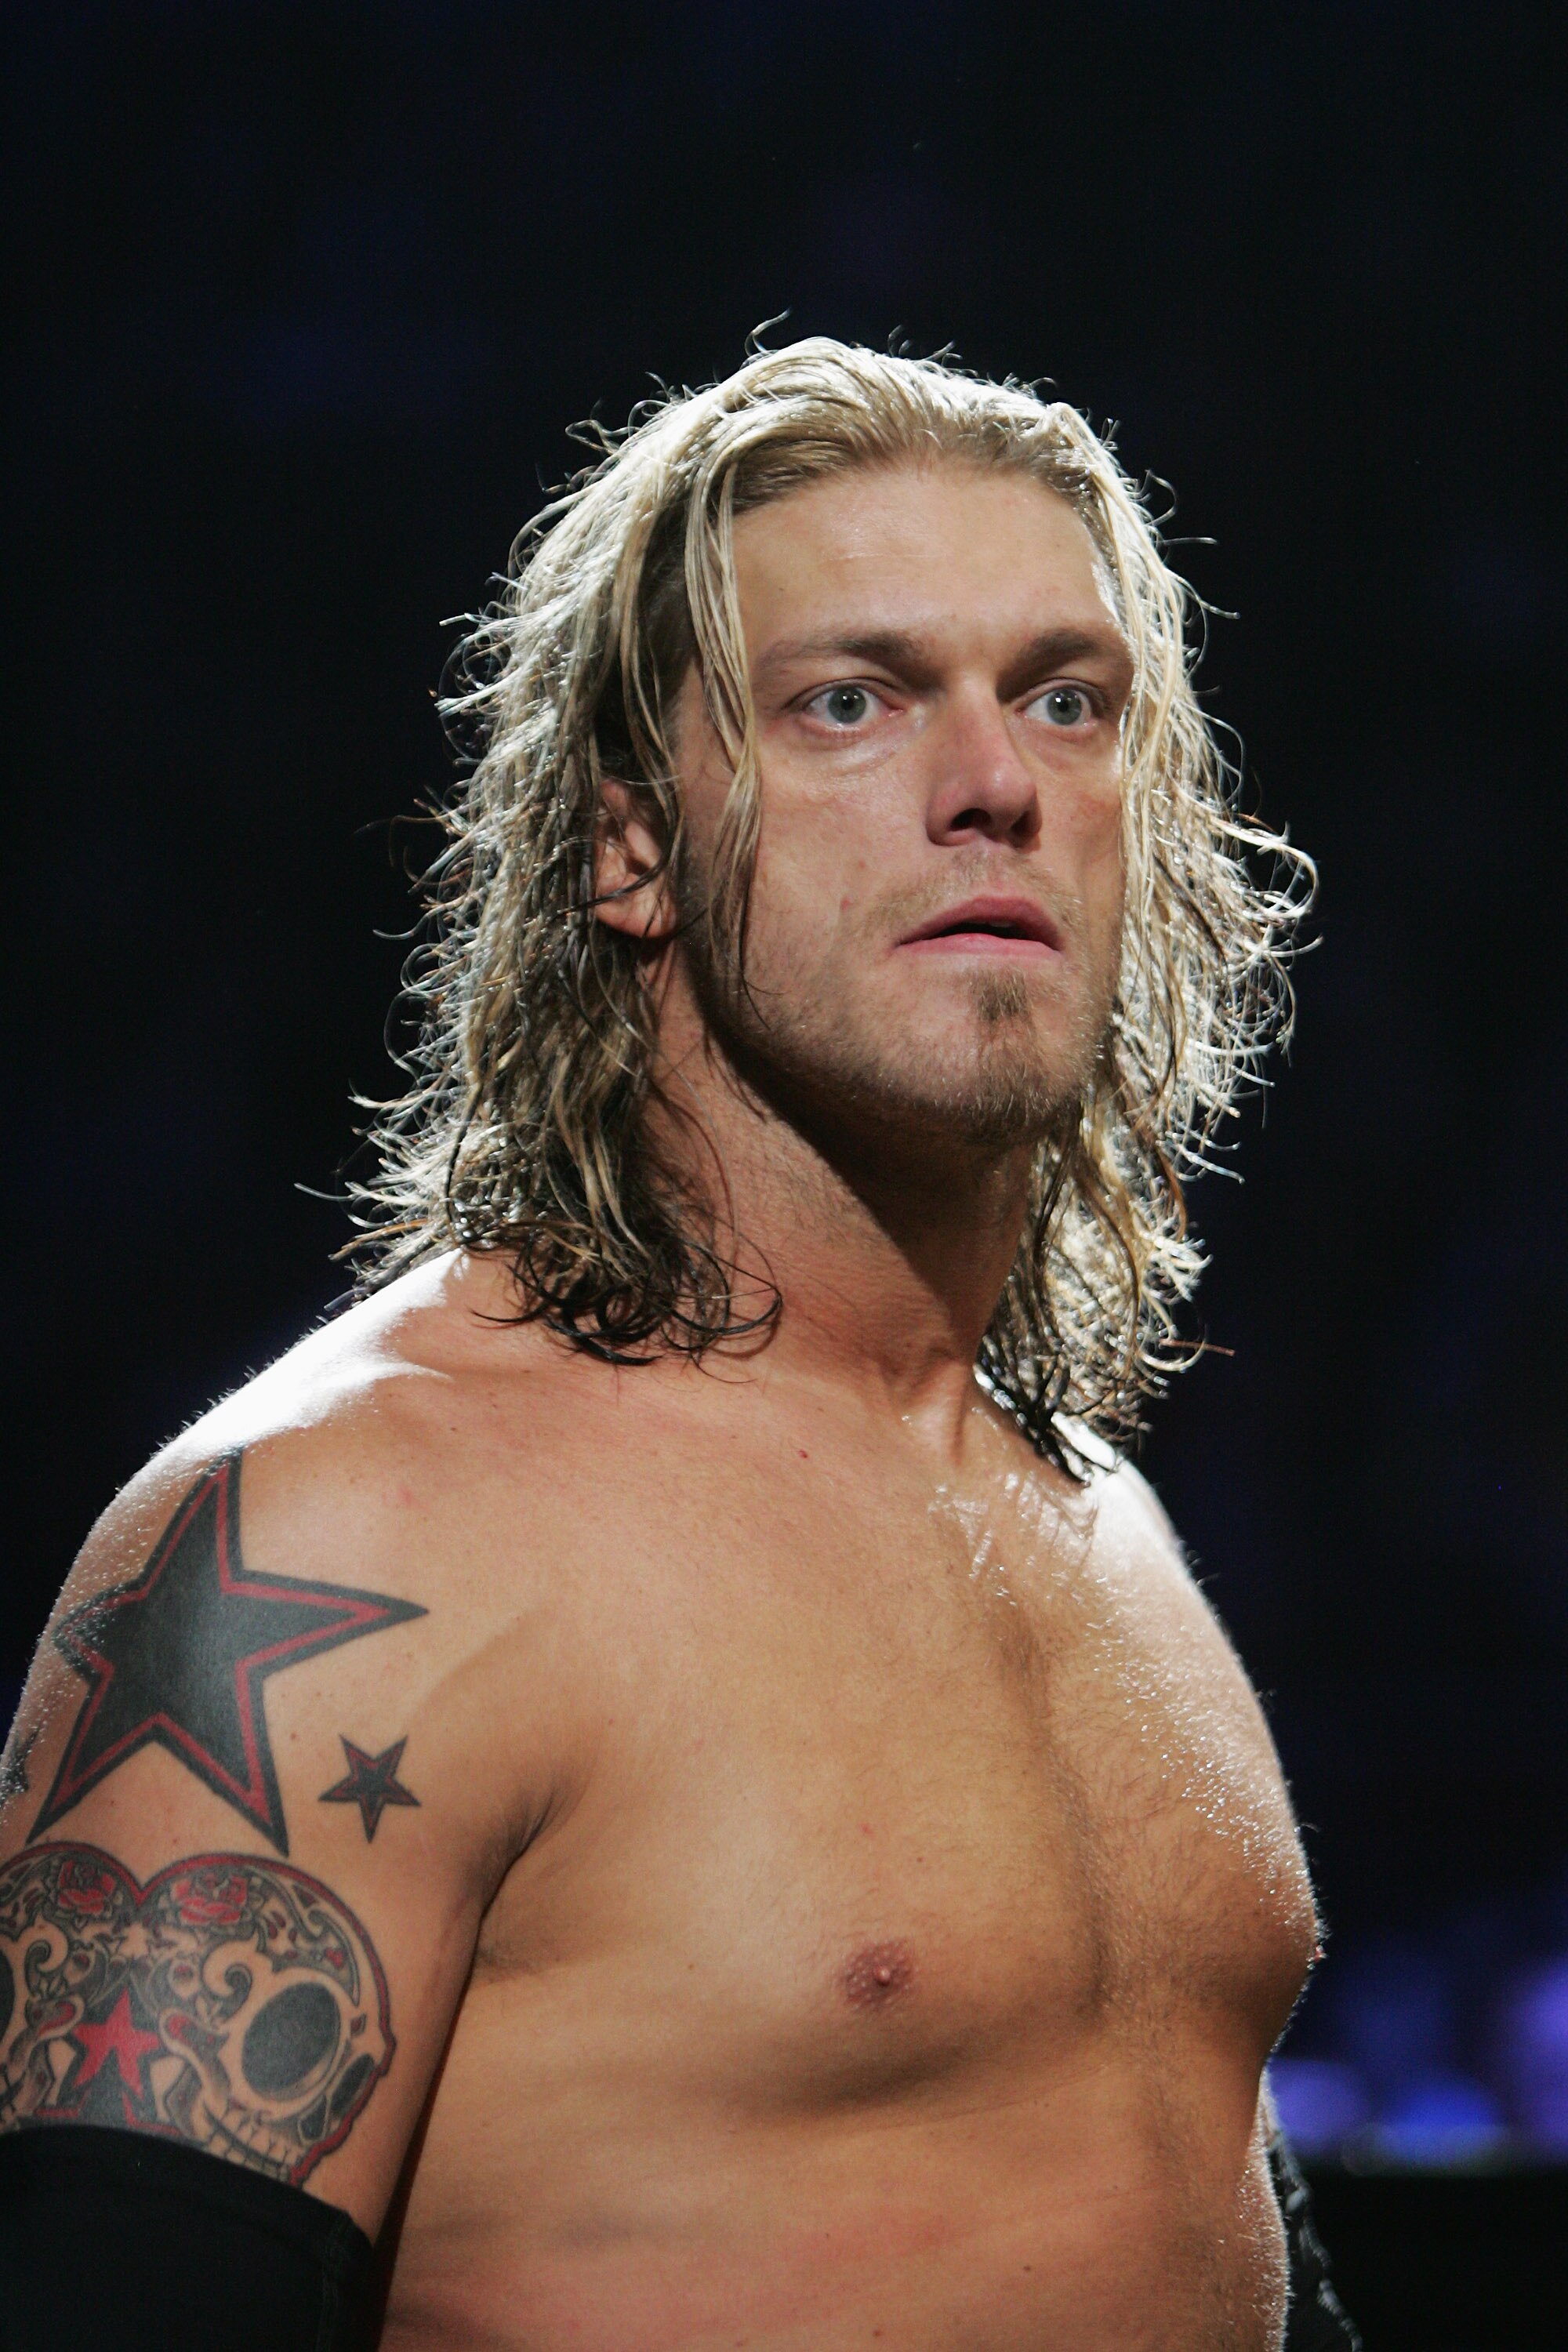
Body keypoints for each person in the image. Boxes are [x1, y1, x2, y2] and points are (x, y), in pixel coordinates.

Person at [0, 341, 1357, 2350]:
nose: (993, 780)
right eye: (848, 702)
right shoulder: (340, 1544)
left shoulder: (1098, 1526)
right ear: (630, 849)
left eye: (1066, 702)